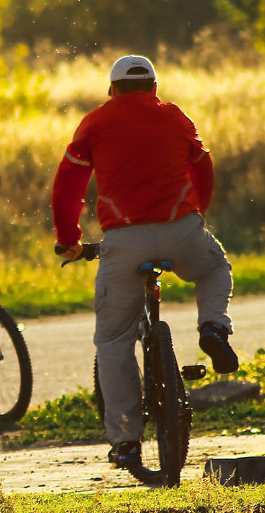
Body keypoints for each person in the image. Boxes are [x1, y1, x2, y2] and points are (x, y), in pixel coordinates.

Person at [51, 55, 239, 469]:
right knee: (213, 268)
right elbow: (202, 166)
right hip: (182, 231)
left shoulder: (96, 122)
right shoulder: (174, 116)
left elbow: (68, 185)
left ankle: (126, 442)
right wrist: (195, 214)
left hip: (124, 240)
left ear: (112, 89)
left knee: (115, 341)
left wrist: (69, 241)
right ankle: (212, 326)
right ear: (154, 86)